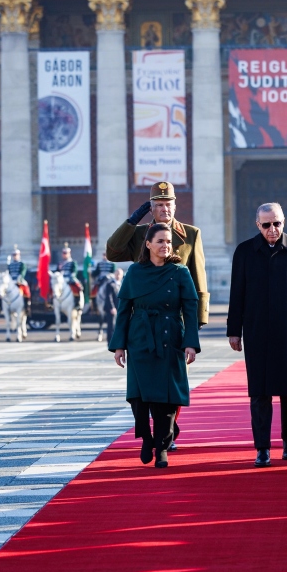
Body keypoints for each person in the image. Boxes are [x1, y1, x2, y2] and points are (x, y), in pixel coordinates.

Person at [226, 202, 287, 468]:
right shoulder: (244, 252)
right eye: (266, 224)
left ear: (284, 222)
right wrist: (234, 331)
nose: (272, 229)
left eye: (276, 223)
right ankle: (262, 448)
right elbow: (237, 294)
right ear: (257, 225)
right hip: (256, 331)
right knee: (259, 392)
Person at [109, 223, 199, 468]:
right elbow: (124, 311)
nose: (165, 245)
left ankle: (162, 447)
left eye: (168, 242)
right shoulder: (135, 272)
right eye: (160, 241)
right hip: (140, 338)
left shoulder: (180, 272)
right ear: (147, 244)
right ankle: (146, 438)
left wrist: (190, 342)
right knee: (139, 398)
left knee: (168, 399)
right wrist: (119, 346)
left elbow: (190, 310)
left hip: (171, 339)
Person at [106, 182, 209, 328]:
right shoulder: (139, 234)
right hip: (145, 314)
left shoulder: (191, 234)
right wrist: (131, 223)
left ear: (174, 207)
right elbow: (112, 254)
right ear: (151, 210)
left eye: (168, 204)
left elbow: (198, 276)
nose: (165, 209)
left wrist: (199, 317)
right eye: (159, 205)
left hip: (176, 314)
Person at [5, 246, 32, 311]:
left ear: (19, 255)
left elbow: (22, 273)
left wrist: (19, 279)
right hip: (11, 281)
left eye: (16, 255)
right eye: (13, 255)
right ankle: (0, 304)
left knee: (26, 289)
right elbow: (9, 273)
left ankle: (27, 305)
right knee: (3, 290)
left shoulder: (22, 264)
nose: (14, 256)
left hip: (19, 280)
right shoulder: (10, 264)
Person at [57, 244, 83, 310]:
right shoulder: (60, 263)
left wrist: (71, 276)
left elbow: (74, 271)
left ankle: (77, 302)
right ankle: (51, 302)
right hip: (61, 279)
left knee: (78, 287)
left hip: (69, 278)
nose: (64, 255)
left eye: (66, 253)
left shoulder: (72, 262)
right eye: (63, 253)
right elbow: (57, 271)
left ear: (69, 254)